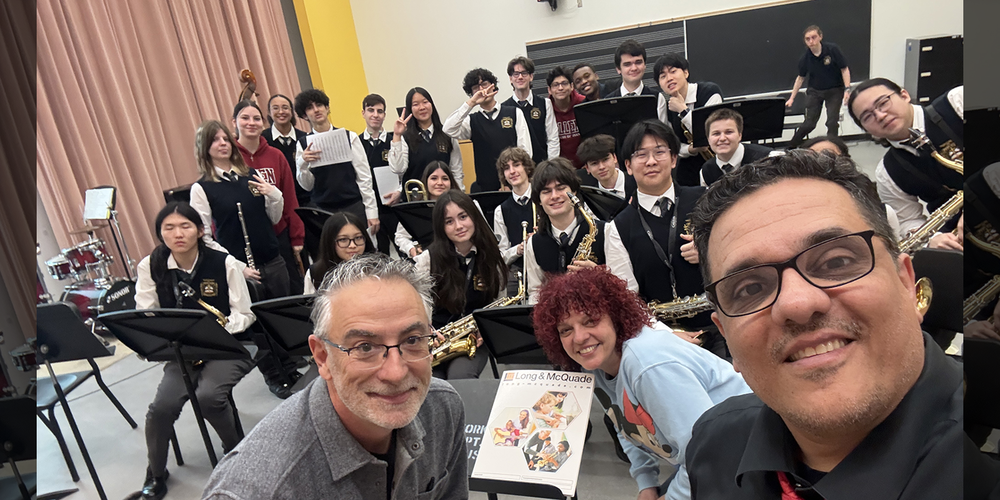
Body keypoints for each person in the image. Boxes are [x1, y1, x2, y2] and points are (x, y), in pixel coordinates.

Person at [684, 150, 962, 498]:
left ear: (906, 282)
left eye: (836, 261)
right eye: (750, 288)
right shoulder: (714, 443)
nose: (798, 304)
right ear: (726, 336)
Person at [203, 254, 469, 500]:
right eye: (365, 347)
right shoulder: (254, 490)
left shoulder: (443, 408)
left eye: (412, 340)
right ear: (322, 356)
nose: (396, 372)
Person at [532, 266, 751, 500]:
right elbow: (623, 423)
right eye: (566, 330)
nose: (579, 337)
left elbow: (709, 452)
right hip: (711, 461)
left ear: (615, 318)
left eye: (590, 321)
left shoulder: (648, 364)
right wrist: (646, 482)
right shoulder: (594, 365)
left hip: (748, 456)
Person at [133, 202, 258, 500]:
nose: (178, 234)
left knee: (208, 397)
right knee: (161, 408)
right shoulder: (150, 265)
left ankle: (236, 452)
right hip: (182, 349)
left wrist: (218, 328)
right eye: (169, 228)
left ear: (200, 230)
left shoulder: (224, 262)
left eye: (185, 226)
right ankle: (156, 471)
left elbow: (246, 313)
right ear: (160, 234)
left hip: (228, 345)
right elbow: (145, 312)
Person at [605, 120, 721, 353]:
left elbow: (739, 254)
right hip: (658, 340)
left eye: (659, 152)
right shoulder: (617, 227)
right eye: (641, 155)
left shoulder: (706, 200)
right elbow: (627, 299)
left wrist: (711, 251)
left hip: (719, 327)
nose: (651, 161)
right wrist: (669, 335)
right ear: (628, 165)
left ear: (674, 158)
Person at [847, 78, 963, 251]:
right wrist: (934, 239)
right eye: (867, 117)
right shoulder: (887, 172)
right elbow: (907, 220)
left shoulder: (957, 101)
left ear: (904, 95)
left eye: (883, 103)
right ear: (867, 131)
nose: (880, 116)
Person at [188, 120, 289, 298]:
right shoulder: (202, 188)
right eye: (215, 140)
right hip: (241, 269)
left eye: (226, 139)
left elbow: (273, 218)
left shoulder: (251, 174)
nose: (223, 143)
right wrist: (237, 266)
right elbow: (203, 237)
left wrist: (275, 195)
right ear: (204, 147)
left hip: (274, 262)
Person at [414, 190, 507, 379]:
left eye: (463, 217)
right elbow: (417, 307)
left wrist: (486, 328)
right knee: (431, 381)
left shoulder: (493, 258)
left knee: (461, 377)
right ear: (441, 227)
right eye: (449, 221)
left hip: (475, 337)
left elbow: (499, 302)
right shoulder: (427, 260)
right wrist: (427, 332)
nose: (458, 226)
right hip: (436, 338)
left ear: (474, 216)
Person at [233, 100, 307, 295]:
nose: (251, 123)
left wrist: (297, 237)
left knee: (291, 291)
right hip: (243, 240)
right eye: (245, 118)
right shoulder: (228, 158)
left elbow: (290, 199)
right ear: (234, 122)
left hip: (278, 235)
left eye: (256, 118)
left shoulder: (276, 155)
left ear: (263, 123)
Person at [293, 88, 380, 235]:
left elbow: (364, 177)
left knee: (363, 251)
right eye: (310, 108)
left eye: (319, 105)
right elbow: (307, 186)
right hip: (323, 210)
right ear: (304, 115)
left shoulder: (349, 136)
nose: (316, 110)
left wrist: (372, 212)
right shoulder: (302, 143)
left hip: (353, 205)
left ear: (327, 107)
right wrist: (302, 163)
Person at [524, 158, 607, 304]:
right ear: (539, 200)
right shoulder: (533, 244)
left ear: (574, 191)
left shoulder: (606, 231)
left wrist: (600, 275)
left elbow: (627, 285)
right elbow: (535, 293)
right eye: (546, 191)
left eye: (561, 188)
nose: (554, 196)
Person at [443, 68, 532, 192]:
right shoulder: (471, 121)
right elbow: (448, 129)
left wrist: (514, 183)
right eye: (476, 87)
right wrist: (471, 103)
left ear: (493, 86)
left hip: (513, 185)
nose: (482, 90)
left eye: (484, 84)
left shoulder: (514, 112)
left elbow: (525, 151)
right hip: (486, 188)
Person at [653, 54, 723, 187]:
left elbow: (710, 132)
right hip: (689, 167)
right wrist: (690, 150)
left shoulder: (710, 92)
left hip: (718, 161)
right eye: (663, 76)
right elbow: (671, 145)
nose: (669, 78)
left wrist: (683, 110)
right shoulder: (667, 108)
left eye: (673, 71)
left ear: (686, 72)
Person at [786, 25, 851, 148]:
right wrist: (792, 98)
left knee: (832, 121)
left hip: (835, 90)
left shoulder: (832, 50)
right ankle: (790, 148)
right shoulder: (805, 58)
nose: (811, 41)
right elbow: (800, 78)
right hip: (815, 91)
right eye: (808, 39)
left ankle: (833, 148)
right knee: (810, 123)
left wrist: (847, 89)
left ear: (820, 37)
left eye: (814, 37)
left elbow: (844, 69)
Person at [388, 87, 465, 188]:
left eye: (425, 102)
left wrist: (458, 194)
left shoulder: (447, 133)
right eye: (415, 104)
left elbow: (456, 171)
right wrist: (397, 135)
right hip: (415, 198)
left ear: (432, 104)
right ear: (410, 109)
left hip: (443, 198)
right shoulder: (405, 138)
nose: (422, 107)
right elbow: (398, 169)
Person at [359, 93, 402, 256]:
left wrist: (399, 191)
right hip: (371, 211)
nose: (375, 115)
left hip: (395, 207)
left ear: (385, 115)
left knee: (405, 252)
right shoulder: (356, 143)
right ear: (363, 113)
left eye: (380, 111)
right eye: (371, 110)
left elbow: (404, 171)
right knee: (379, 255)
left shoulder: (395, 140)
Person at [394, 161, 463, 258]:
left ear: (451, 182)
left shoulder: (464, 205)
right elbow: (400, 236)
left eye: (445, 178)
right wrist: (411, 248)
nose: (440, 183)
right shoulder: (416, 208)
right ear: (426, 181)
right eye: (434, 178)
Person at [492, 147, 536, 296]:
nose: (512, 171)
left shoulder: (543, 198)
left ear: (526, 168)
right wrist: (518, 249)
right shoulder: (501, 210)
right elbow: (501, 254)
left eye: (516, 165)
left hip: (544, 265)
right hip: (518, 268)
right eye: (506, 168)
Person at [503, 56, 559, 164]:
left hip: (542, 167)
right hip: (517, 169)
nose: (520, 77)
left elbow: (552, 138)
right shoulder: (504, 109)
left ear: (531, 77)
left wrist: (551, 166)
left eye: (524, 73)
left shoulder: (545, 104)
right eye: (516, 74)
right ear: (511, 79)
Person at [304, 211, 375, 294]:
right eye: (343, 239)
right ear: (330, 242)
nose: (352, 245)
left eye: (358, 237)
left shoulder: (379, 267)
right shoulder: (316, 273)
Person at [700, 108, 774, 186]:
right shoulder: (706, 172)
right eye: (716, 134)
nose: (722, 138)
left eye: (729, 132)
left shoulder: (768, 159)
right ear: (708, 139)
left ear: (740, 135)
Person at [262, 93, 310, 208]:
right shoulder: (262, 139)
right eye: (275, 108)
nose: (281, 112)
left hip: (306, 200)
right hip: (275, 202)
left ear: (292, 111)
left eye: (285, 107)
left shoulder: (305, 138)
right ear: (269, 112)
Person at [547, 66, 587, 168]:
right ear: (549, 90)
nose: (560, 88)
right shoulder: (546, 109)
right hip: (561, 168)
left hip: (585, 166)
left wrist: (589, 162)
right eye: (556, 85)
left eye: (564, 83)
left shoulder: (583, 103)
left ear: (572, 86)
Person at [577, 134, 637, 201]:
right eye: (594, 163)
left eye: (605, 160)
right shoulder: (588, 196)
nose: (601, 167)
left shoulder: (637, 181)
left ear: (614, 158)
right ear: (587, 168)